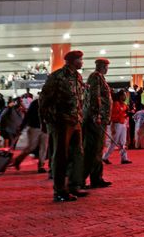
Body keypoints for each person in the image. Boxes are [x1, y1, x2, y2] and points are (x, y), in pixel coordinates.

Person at [40, 50, 89, 202]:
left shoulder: (77, 77)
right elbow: (44, 100)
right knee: (61, 156)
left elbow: (79, 100)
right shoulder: (57, 77)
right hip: (61, 122)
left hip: (76, 121)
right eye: (80, 60)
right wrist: (46, 122)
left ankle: (74, 185)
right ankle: (59, 190)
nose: (82, 62)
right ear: (72, 61)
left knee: (78, 154)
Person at [82, 58, 113, 189]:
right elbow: (95, 97)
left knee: (98, 150)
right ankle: (80, 180)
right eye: (106, 66)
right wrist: (97, 115)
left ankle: (97, 178)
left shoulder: (99, 77)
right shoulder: (96, 77)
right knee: (92, 150)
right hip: (96, 120)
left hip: (100, 119)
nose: (107, 68)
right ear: (101, 66)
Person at [102, 90, 131, 164]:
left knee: (123, 142)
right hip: (116, 124)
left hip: (122, 123)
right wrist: (113, 127)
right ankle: (105, 157)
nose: (125, 96)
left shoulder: (124, 104)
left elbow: (124, 113)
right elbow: (113, 116)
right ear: (120, 96)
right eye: (124, 95)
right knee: (113, 142)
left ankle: (124, 158)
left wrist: (127, 113)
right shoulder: (116, 104)